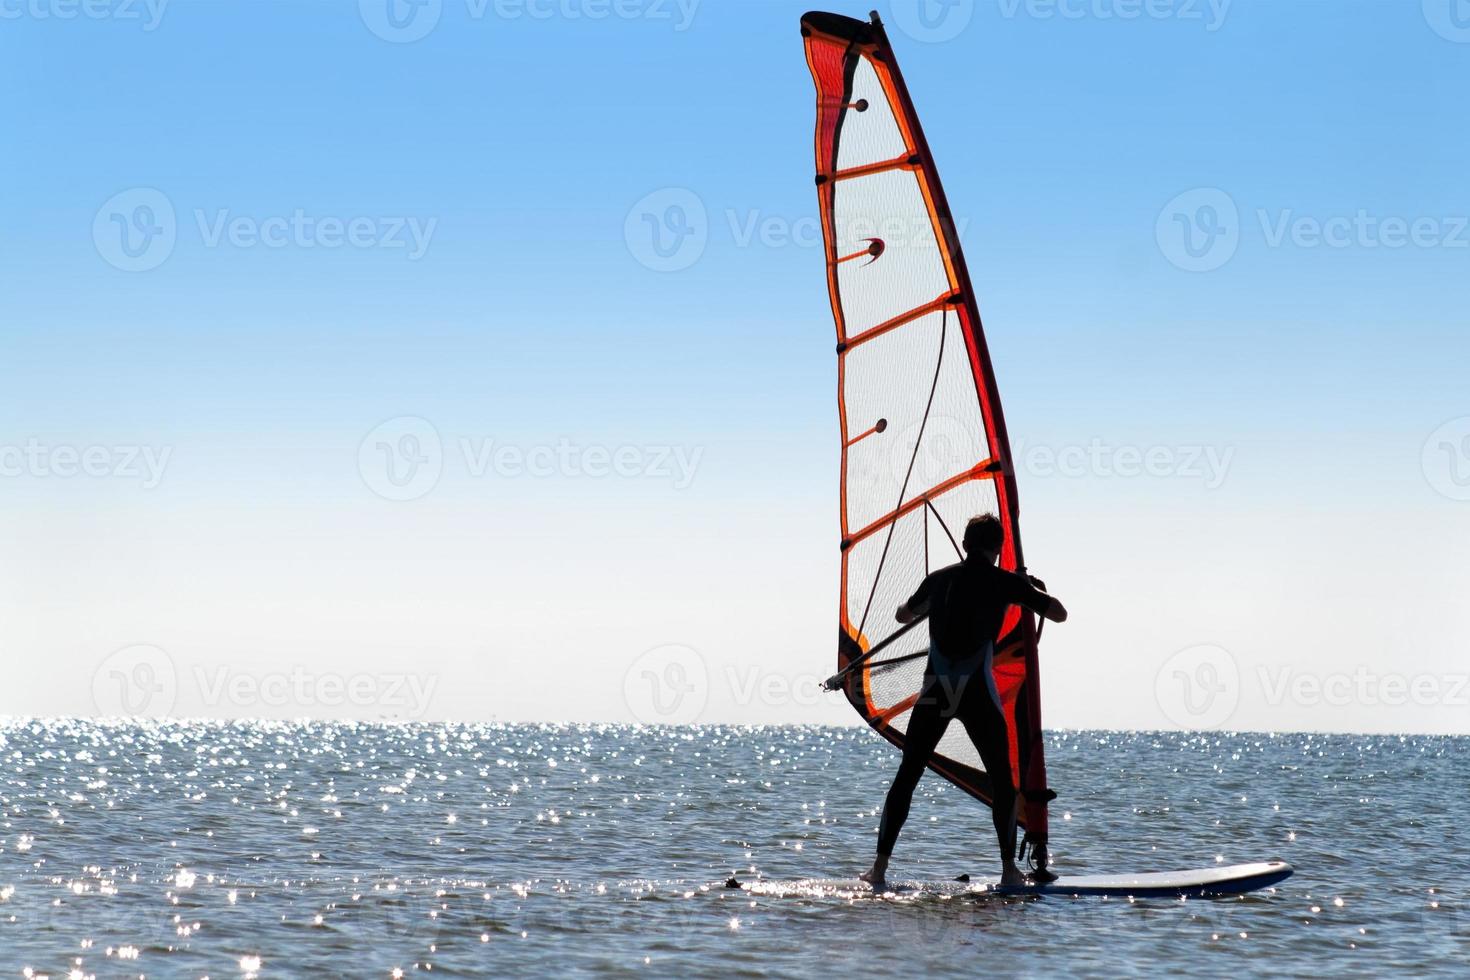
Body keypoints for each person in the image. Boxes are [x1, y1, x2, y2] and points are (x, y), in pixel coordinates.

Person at [859, 513, 1067, 889]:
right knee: (1003, 783)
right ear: (998, 548)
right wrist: (1025, 589)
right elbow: (1059, 615)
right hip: (976, 695)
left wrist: (927, 607)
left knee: (907, 776)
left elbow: (903, 613)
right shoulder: (1005, 583)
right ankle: (1008, 870)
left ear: (966, 542)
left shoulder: (938, 579)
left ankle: (878, 870)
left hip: (937, 692)